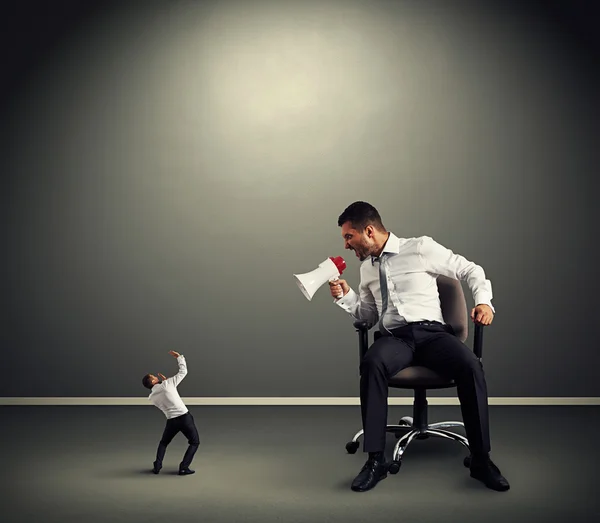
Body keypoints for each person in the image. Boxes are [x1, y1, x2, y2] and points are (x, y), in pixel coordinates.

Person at [329, 201, 509, 493]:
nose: (347, 245)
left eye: (349, 237)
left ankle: (481, 460)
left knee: (470, 365)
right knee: (372, 363)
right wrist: (346, 296)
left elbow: (470, 269)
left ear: (369, 231)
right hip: (395, 339)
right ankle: (376, 461)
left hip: (432, 334)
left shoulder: (420, 248)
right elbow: (368, 317)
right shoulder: (367, 270)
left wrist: (484, 301)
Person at [142, 350, 199, 476]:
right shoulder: (168, 384)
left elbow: (166, 396)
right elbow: (183, 372)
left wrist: (167, 383)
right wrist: (179, 357)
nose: (156, 377)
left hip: (171, 421)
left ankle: (157, 466)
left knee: (163, 443)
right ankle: (183, 468)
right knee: (194, 442)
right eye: (154, 377)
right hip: (185, 418)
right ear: (152, 382)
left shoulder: (152, 397)